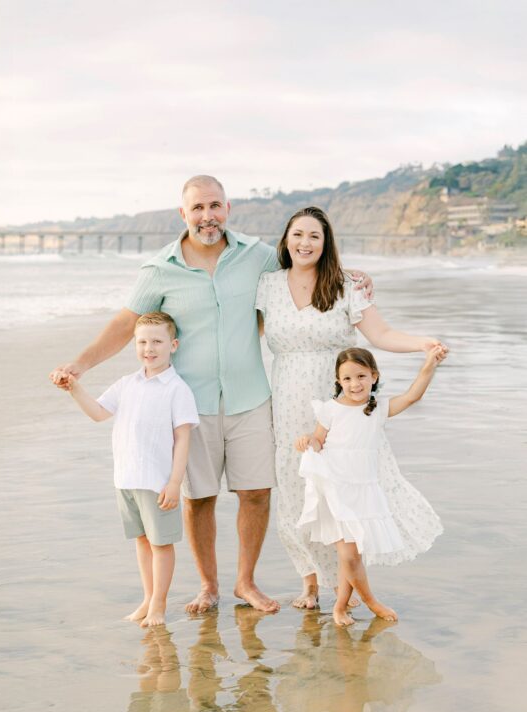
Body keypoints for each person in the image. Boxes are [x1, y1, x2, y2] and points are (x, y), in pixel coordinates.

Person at [50, 176, 372, 614]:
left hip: (252, 397)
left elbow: (304, 266)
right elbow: (126, 325)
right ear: (182, 214)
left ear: (228, 208)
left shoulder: (257, 256)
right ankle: (208, 585)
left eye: (215, 206)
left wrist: (351, 276)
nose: (208, 216)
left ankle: (246, 582)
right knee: (197, 497)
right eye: (198, 208)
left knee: (256, 493)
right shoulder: (159, 269)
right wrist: (81, 365)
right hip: (190, 405)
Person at [255, 207, 447, 610]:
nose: (305, 243)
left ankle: (348, 583)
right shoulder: (267, 285)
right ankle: (308, 582)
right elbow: (239, 332)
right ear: (286, 239)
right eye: (298, 234)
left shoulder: (344, 285)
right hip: (288, 399)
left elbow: (382, 333)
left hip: (341, 400)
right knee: (295, 488)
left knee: (343, 491)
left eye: (314, 237)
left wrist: (424, 343)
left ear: (326, 244)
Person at [295, 345, 446, 626]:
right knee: (349, 554)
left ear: (374, 376)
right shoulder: (330, 410)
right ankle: (371, 601)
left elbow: (413, 396)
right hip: (336, 488)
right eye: (348, 378)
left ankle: (340, 607)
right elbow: (319, 440)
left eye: (362, 376)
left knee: (352, 558)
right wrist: (308, 441)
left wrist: (429, 365)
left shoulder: (376, 409)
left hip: (364, 491)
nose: (355, 384)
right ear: (339, 381)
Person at [66, 311, 199, 626]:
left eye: (157, 341)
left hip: (157, 482)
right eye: (142, 342)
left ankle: (159, 606)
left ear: (173, 345)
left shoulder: (176, 389)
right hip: (126, 479)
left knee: (160, 544)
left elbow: (182, 440)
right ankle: (147, 598)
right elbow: (98, 413)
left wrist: (174, 482)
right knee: (142, 541)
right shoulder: (127, 384)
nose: (149, 348)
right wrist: (74, 389)